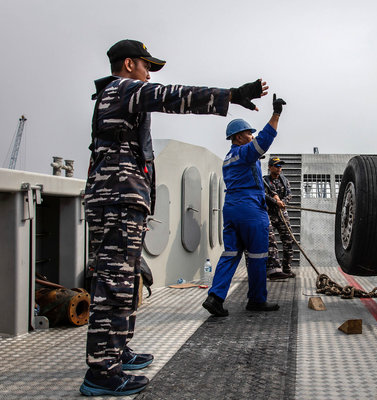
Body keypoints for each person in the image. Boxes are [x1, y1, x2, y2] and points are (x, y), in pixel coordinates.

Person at [81, 39, 268, 397]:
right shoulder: (124, 89)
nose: (149, 73)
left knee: (125, 280)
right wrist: (229, 95)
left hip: (121, 197)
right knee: (115, 285)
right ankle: (101, 371)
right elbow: (172, 95)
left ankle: (117, 351)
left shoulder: (117, 94)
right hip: (116, 197)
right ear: (129, 64)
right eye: (146, 66)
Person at [202, 94, 287, 318]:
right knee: (258, 255)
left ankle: (215, 297)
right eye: (249, 133)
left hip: (231, 208)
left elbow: (247, 184)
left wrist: (268, 199)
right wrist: (276, 114)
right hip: (250, 211)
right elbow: (265, 139)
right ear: (239, 137)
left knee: (230, 254)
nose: (252, 136)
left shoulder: (228, 158)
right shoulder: (245, 153)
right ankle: (257, 300)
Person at [263, 157, 296, 279]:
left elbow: (289, 194)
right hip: (269, 214)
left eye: (280, 166)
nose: (279, 168)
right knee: (270, 242)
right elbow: (264, 195)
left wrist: (282, 201)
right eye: (276, 166)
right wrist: (275, 202)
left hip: (282, 215)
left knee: (289, 241)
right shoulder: (264, 181)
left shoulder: (285, 181)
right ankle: (273, 270)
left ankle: (286, 269)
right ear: (270, 167)